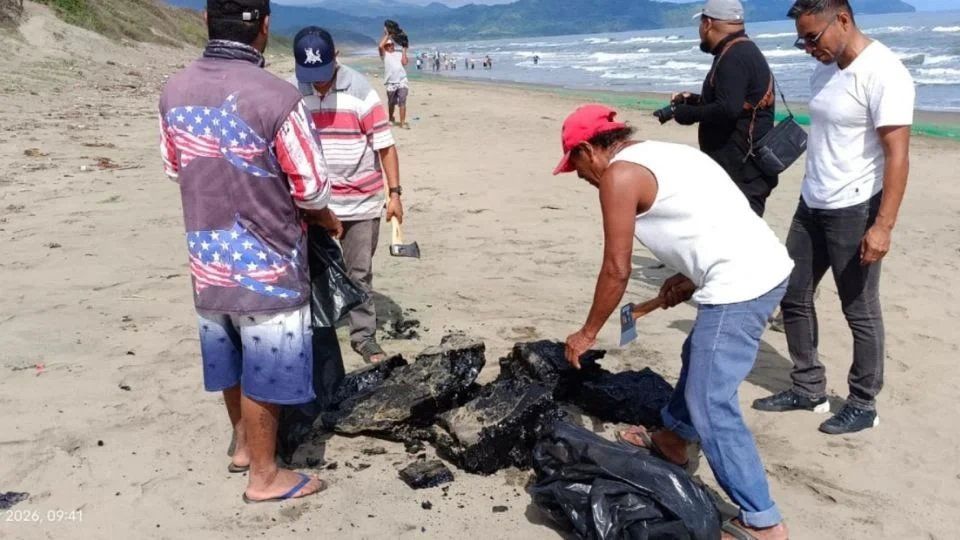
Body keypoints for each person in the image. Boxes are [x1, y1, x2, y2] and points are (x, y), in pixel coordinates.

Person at [556, 105, 793, 540]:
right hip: (762, 264)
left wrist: (587, 332)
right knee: (698, 352)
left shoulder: (618, 176)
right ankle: (673, 439)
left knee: (711, 403)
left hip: (740, 284)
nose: (578, 175)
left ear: (589, 149)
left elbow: (616, 268)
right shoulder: (667, 153)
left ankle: (762, 522)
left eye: (574, 163)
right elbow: (716, 215)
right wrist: (690, 273)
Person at [159, 0, 337, 503]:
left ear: (204, 21)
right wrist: (327, 220)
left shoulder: (174, 91)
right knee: (266, 361)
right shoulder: (279, 97)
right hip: (268, 260)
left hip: (205, 254)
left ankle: (242, 445)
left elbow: (175, 167)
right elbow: (312, 189)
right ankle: (264, 475)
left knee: (228, 351)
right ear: (264, 27)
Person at [753, 0, 914, 435]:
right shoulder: (824, 68)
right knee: (792, 293)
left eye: (812, 37)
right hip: (812, 202)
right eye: (801, 39)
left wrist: (883, 225)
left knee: (859, 309)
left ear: (842, 20)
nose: (807, 47)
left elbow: (898, 155)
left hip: (856, 207)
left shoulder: (884, 72)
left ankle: (863, 403)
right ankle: (808, 388)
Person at [289, 27, 404, 365]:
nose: (318, 83)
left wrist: (394, 194)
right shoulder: (293, 91)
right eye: (311, 76)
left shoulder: (361, 91)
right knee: (311, 272)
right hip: (314, 203)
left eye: (323, 75)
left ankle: (363, 337)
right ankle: (316, 329)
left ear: (336, 57)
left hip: (362, 201)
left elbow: (385, 146)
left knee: (359, 273)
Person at [667, 0, 778, 217]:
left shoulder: (734, 56)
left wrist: (683, 114)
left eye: (700, 24)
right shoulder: (742, 50)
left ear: (707, 24)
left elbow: (728, 109)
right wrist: (694, 100)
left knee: (737, 241)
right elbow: (734, 102)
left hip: (742, 173)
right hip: (742, 169)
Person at [378, 32, 410, 129]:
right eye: (388, 45)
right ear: (386, 47)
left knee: (402, 101)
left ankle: (402, 123)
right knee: (391, 102)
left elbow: (404, 62)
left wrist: (404, 49)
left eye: (392, 44)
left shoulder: (399, 54)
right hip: (391, 82)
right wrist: (388, 35)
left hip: (402, 81)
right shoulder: (385, 55)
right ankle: (391, 118)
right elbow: (380, 46)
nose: (391, 46)